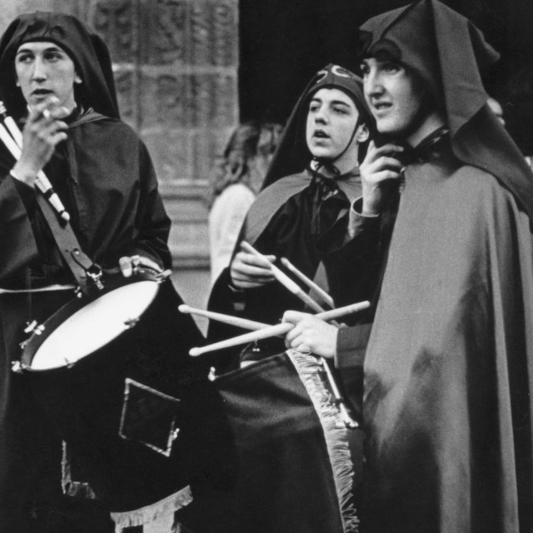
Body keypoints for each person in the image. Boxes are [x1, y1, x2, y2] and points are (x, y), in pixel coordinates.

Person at [0, 12, 202, 532]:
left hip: (106, 341)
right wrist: (24, 170)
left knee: (109, 487)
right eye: (25, 59)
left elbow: (151, 234)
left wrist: (143, 259)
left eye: (53, 57)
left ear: (80, 70)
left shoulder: (120, 144)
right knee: (20, 489)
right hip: (15, 344)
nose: (38, 71)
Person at [286, 1, 533, 531]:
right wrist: (370, 214)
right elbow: (380, 304)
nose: (372, 86)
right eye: (368, 68)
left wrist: (343, 347)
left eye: (391, 66)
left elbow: (440, 356)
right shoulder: (407, 177)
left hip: (442, 452)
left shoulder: (476, 191)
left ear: (433, 72)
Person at [206, 64, 373, 370]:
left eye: (339, 110)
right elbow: (238, 312)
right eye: (314, 108)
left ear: (363, 130)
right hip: (277, 370)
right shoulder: (275, 196)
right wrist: (234, 284)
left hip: (349, 367)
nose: (320, 117)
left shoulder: (377, 201)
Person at [208, 122, 276, 284]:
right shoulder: (239, 196)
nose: (271, 160)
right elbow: (227, 259)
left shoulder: (239, 194)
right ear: (249, 158)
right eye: (266, 152)